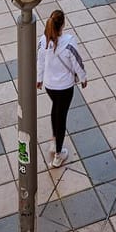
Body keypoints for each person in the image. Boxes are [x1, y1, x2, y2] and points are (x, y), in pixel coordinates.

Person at [37, 10, 87, 168]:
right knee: (62, 116)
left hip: (50, 85)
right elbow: (77, 62)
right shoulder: (69, 42)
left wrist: (39, 79)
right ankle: (58, 154)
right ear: (63, 24)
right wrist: (83, 78)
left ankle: (54, 140)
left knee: (55, 109)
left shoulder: (43, 40)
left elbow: (39, 61)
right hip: (65, 87)